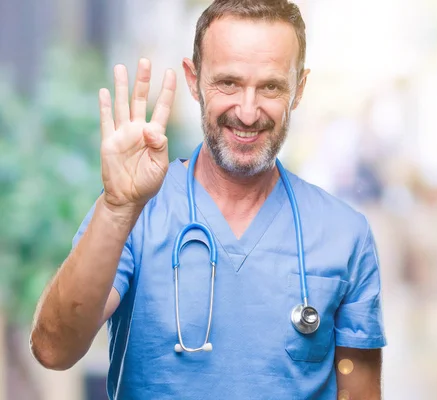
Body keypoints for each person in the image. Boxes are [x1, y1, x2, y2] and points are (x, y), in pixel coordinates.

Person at [28, 1, 387, 399]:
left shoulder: (344, 234)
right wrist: (116, 209)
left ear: (298, 89)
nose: (248, 113)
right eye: (228, 83)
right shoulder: (137, 213)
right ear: (193, 78)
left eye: (270, 86)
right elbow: (53, 349)